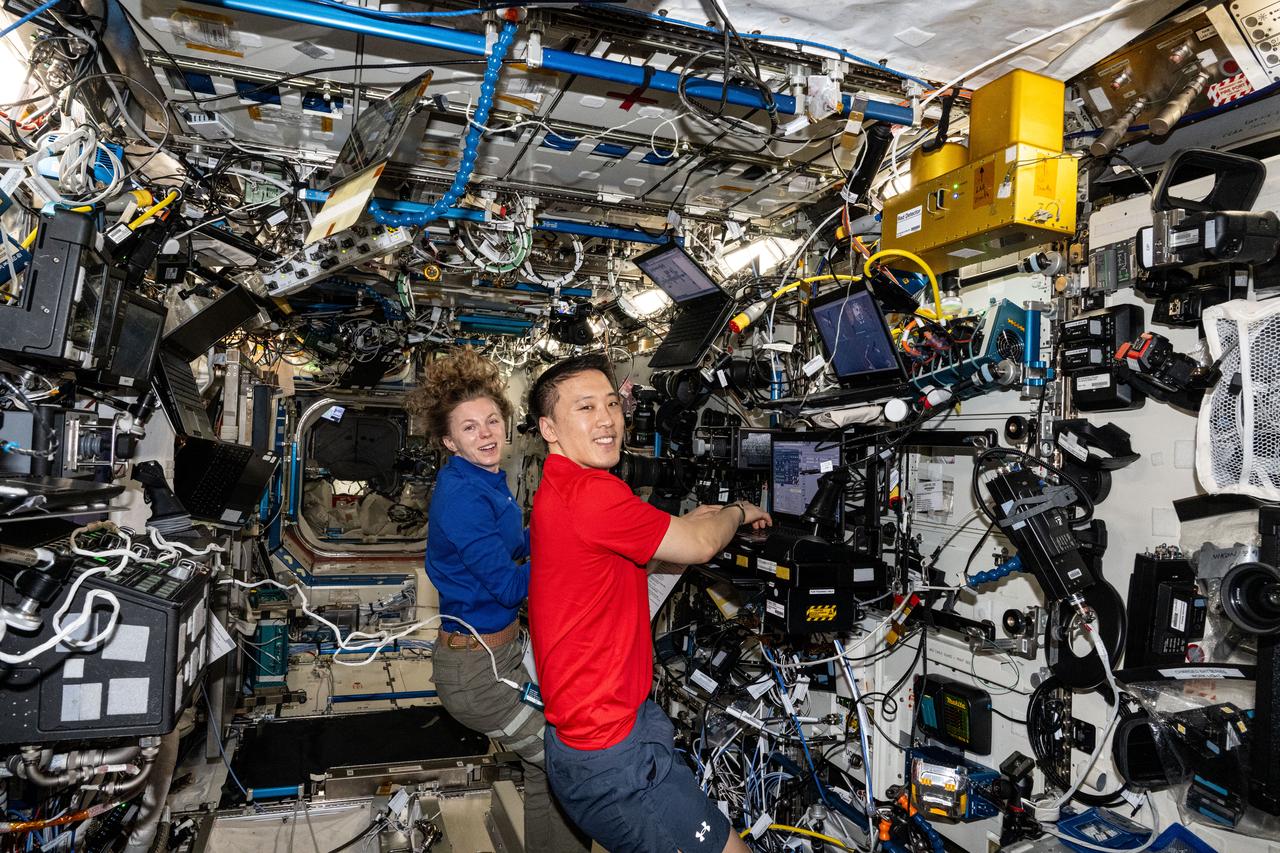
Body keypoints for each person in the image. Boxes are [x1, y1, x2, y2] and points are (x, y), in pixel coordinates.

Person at [527, 353, 772, 853]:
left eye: (612, 404)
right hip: (613, 757)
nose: (606, 419)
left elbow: (664, 533)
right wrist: (740, 510)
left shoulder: (563, 483)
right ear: (548, 428)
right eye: (585, 407)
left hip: (603, 735)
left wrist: (701, 517)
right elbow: (700, 546)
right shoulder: (592, 495)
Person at [408, 348, 590, 853]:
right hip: (476, 676)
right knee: (565, 761)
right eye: (469, 428)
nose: (486, 434)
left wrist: (563, 522)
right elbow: (511, 587)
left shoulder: (487, 481)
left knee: (545, 771)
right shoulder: (462, 495)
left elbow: (515, 547)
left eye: (492, 420)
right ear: (449, 441)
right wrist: (571, 547)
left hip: (502, 656)